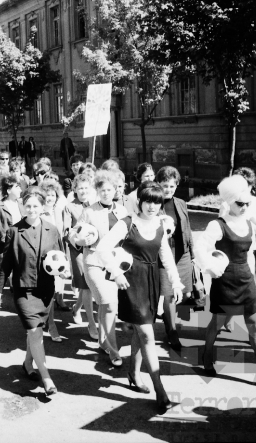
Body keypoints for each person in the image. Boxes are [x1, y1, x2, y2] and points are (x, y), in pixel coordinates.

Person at [96, 182, 184, 411]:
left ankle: (134, 373)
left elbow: (165, 256)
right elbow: (102, 248)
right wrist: (115, 273)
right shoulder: (127, 223)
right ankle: (161, 391)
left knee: (141, 329)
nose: (153, 206)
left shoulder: (159, 225)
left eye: (157, 202)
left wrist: (176, 282)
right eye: (148, 201)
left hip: (152, 282)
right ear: (140, 202)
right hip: (131, 282)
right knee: (147, 335)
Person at [196, 175, 256, 388]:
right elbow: (200, 249)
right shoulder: (217, 225)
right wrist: (211, 268)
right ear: (228, 202)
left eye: (247, 203)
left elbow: (251, 254)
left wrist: (254, 280)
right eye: (239, 203)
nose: (244, 207)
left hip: (246, 279)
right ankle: (207, 358)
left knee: (254, 325)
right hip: (224, 280)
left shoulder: (250, 225)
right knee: (217, 323)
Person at [0, 188, 62, 396]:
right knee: (34, 331)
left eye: (36, 206)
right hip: (23, 290)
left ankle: (27, 364)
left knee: (37, 329)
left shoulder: (52, 229)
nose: (31, 209)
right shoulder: (14, 231)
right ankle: (47, 378)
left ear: (42, 207)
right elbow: (6, 264)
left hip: (45, 289)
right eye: (28, 205)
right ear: (22, 206)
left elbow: (60, 258)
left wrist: (65, 272)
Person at [70, 170, 129, 366]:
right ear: (97, 191)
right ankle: (113, 350)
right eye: (102, 190)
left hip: (115, 264)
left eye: (109, 190)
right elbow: (73, 234)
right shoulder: (89, 211)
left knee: (107, 305)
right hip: (94, 262)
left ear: (115, 191)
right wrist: (80, 239)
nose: (106, 193)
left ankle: (104, 342)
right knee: (108, 303)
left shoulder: (122, 211)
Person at [218, 167, 256, 333]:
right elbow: (222, 227)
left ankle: (253, 331)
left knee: (252, 289)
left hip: (254, 249)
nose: (247, 191)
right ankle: (226, 318)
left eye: (249, 187)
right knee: (232, 291)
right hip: (236, 253)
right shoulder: (227, 204)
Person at [156, 166, 195, 349]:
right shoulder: (154, 203)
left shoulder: (181, 202)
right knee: (170, 295)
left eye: (172, 186)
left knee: (186, 293)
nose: (168, 190)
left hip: (183, 253)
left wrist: (193, 255)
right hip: (164, 254)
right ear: (158, 185)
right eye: (164, 185)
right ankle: (171, 330)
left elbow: (188, 229)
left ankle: (167, 315)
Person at [63, 173, 98, 339]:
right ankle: (92, 324)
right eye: (80, 188)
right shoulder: (69, 207)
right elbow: (66, 230)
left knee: (88, 286)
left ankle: (76, 308)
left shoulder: (96, 205)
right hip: (77, 249)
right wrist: (78, 235)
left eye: (86, 188)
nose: (83, 191)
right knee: (85, 285)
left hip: (93, 250)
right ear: (75, 190)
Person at [40, 179, 68, 342]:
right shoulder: (38, 212)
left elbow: (61, 236)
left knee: (52, 292)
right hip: (41, 257)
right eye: (47, 195)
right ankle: (43, 322)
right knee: (44, 292)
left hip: (56, 257)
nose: (50, 198)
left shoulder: (59, 211)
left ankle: (51, 325)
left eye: (52, 195)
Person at [0, 174, 24, 263]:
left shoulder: (21, 204)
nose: (21, 190)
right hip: (4, 245)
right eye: (17, 187)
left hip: (20, 243)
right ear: (8, 190)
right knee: (4, 273)